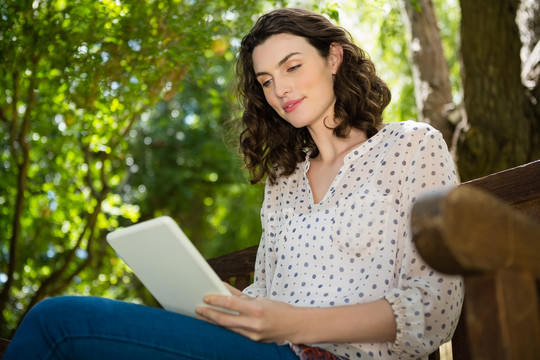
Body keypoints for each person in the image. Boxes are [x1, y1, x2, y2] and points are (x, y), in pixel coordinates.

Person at [3, 7, 463, 360]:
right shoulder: (284, 180)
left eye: (292, 66)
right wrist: (226, 302)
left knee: (57, 323)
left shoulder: (410, 146)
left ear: (334, 58)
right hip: (263, 349)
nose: (280, 89)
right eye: (266, 80)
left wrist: (296, 324)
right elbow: (267, 290)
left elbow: (435, 305)